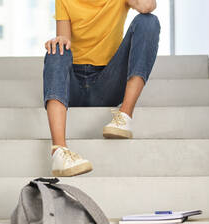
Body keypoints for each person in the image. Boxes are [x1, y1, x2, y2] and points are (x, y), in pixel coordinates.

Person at [43, 0, 160, 177]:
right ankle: (59, 152)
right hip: (73, 84)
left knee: (149, 21)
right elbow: (64, 41)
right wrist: (58, 41)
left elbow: (147, 6)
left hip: (108, 81)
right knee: (56, 49)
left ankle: (125, 116)